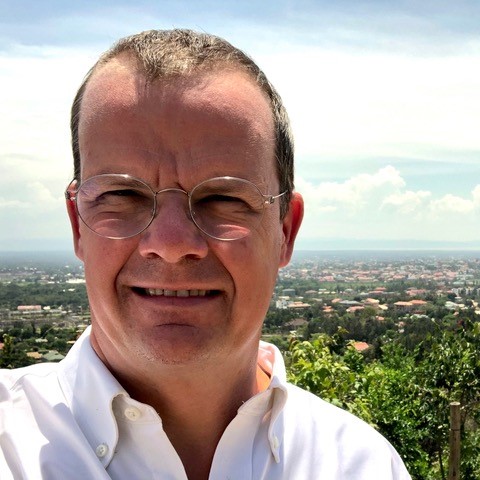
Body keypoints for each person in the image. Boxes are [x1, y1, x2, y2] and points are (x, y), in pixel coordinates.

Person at [0, 29, 411, 479]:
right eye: (121, 194)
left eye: (223, 199)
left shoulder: (360, 464)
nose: (172, 244)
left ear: (285, 231)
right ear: (78, 223)